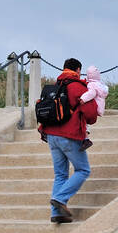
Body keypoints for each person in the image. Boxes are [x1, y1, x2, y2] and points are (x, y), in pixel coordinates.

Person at [38, 57, 92, 223]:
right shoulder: (77, 87)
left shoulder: (54, 86)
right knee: (83, 170)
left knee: (60, 175)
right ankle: (60, 199)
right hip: (69, 136)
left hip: (52, 136)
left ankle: (56, 213)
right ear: (77, 70)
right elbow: (90, 114)